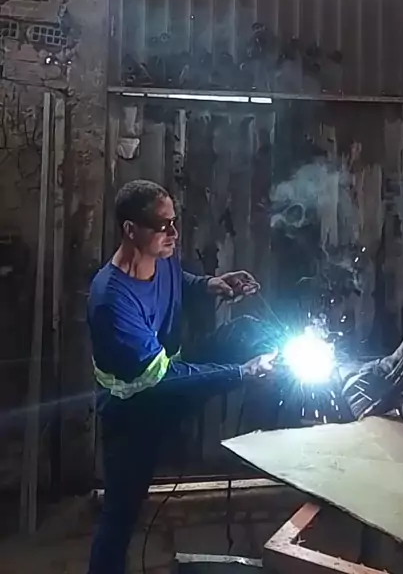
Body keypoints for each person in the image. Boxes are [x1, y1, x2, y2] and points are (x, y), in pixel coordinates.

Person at [87, 180, 276, 574]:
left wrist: (210, 285)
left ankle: (352, 376)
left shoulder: (162, 255)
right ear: (130, 229)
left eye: (174, 222)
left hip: (171, 377)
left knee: (245, 332)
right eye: (163, 225)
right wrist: (241, 373)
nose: (173, 232)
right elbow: (163, 378)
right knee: (120, 515)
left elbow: (178, 282)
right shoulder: (111, 300)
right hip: (135, 411)